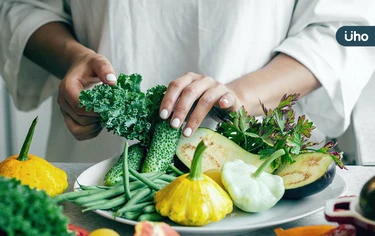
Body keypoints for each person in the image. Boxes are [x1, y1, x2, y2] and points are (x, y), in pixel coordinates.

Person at [1, 0, 375, 163]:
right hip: (100, 157)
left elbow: (351, 29)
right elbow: (23, 6)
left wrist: (241, 96)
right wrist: (74, 57)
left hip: (256, 153)